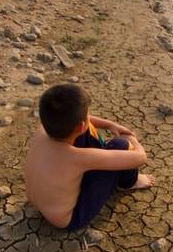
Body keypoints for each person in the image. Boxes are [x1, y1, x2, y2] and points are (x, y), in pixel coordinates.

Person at [24, 84, 155, 229]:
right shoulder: (78, 158)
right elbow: (140, 157)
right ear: (80, 126)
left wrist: (110, 125)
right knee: (121, 145)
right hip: (70, 219)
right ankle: (130, 182)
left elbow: (81, 121)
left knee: (79, 130)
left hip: (39, 204)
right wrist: (131, 138)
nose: (89, 117)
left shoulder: (43, 130)